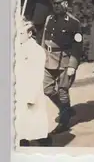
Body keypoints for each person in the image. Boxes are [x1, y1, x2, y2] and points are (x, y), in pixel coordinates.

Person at [41, 0, 83, 135]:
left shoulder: (73, 22)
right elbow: (44, 39)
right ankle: (66, 108)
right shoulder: (49, 18)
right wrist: (41, 55)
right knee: (47, 89)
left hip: (63, 60)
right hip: (48, 58)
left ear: (65, 4)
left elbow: (78, 46)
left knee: (63, 91)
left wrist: (73, 65)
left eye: (59, 3)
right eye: (54, 3)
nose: (56, 6)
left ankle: (64, 122)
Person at [15, 19, 51, 147]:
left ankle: (46, 145)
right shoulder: (17, 48)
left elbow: (37, 75)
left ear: (29, 33)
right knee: (20, 129)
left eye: (21, 34)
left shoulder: (36, 50)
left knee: (36, 126)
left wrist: (31, 96)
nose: (17, 36)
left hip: (31, 93)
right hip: (18, 93)